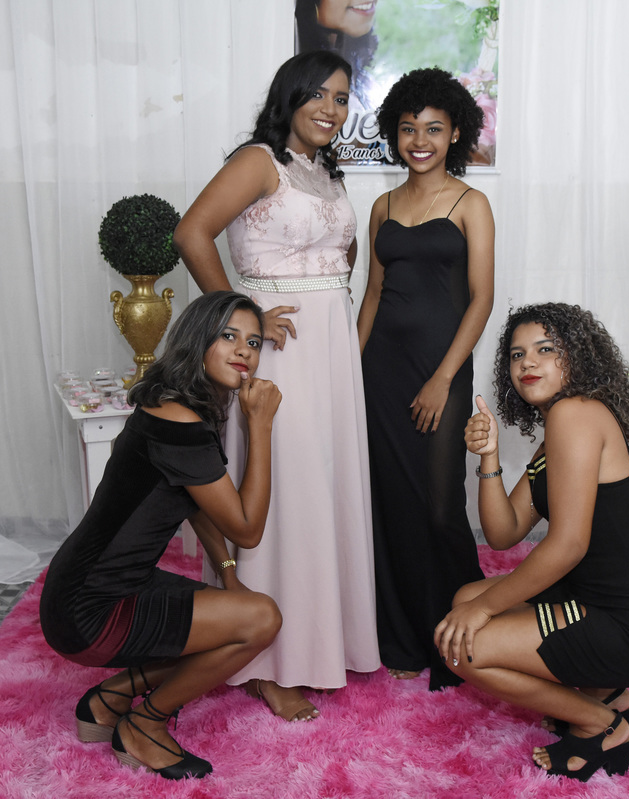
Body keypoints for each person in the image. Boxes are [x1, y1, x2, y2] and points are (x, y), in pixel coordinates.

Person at [173, 51, 381, 722]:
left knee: (324, 487)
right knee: (283, 489)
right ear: (289, 97)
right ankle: (264, 659)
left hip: (329, 353)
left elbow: (339, 260)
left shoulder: (325, 172)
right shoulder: (258, 160)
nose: (330, 108)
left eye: (342, 98)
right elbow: (191, 232)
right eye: (317, 93)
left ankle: (326, 639)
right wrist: (245, 319)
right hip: (279, 355)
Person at [436, 303, 629, 781]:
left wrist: (486, 609)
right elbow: (504, 532)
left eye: (545, 349)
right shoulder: (557, 430)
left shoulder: (575, 415)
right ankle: (610, 695)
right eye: (517, 354)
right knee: (464, 600)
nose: (528, 363)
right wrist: (489, 456)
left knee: (463, 646)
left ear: (577, 357)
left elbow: (568, 545)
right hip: (605, 600)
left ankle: (602, 723)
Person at [39, 291, 284, 780]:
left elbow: (197, 503)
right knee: (261, 620)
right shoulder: (181, 423)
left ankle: (109, 699)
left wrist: (227, 574)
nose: (244, 350)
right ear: (198, 340)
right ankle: (145, 724)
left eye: (254, 342)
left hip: (92, 586)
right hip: (91, 610)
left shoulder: (174, 404)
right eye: (228, 336)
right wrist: (259, 426)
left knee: (234, 615)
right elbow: (247, 529)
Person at [356, 67, 494, 690]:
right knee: (390, 503)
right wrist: (350, 373)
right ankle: (401, 636)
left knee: (440, 509)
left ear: (455, 133)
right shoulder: (382, 207)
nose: (420, 141)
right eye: (409, 128)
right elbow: (372, 295)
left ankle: (461, 631)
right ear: (394, 132)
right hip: (380, 373)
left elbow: (481, 299)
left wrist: (443, 379)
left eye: (434, 129)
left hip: (443, 370)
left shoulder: (471, 204)